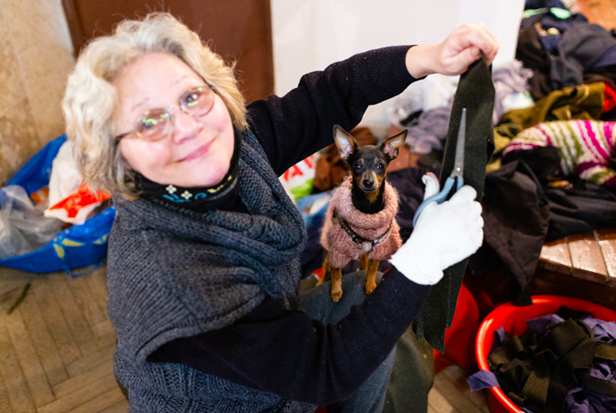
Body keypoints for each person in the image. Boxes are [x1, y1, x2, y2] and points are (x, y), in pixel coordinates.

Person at [62, 12, 497, 413]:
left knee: (362, 291)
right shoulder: (174, 279)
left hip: (271, 356)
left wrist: (425, 58)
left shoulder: (236, 146)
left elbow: (325, 96)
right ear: (116, 155)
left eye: (192, 96)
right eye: (149, 121)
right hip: (230, 404)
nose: (188, 126)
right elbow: (321, 373)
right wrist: (422, 259)